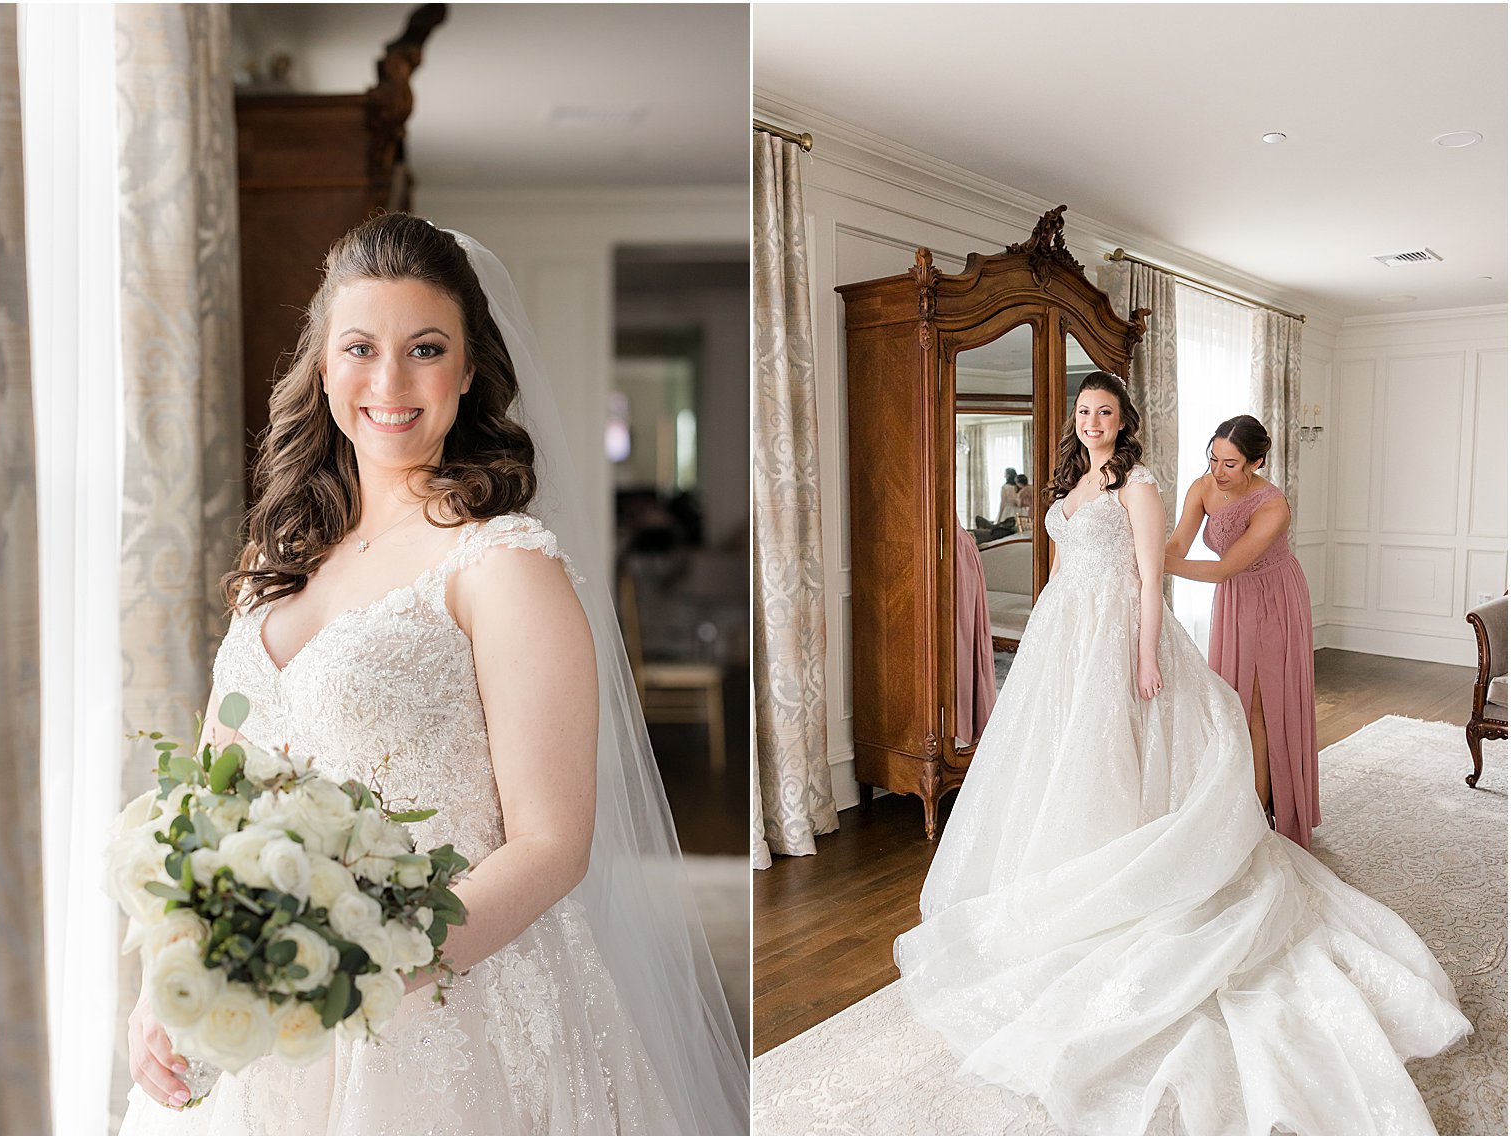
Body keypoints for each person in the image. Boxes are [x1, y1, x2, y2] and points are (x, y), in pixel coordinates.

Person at [120, 214, 748, 1135]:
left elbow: (551, 842)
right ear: (324, 366)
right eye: (361, 348)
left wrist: (361, 966)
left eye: (425, 349)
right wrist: (164, 978)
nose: (389, 382)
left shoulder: (503, 565)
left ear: (467, 371)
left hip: (448, 1012)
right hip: (260, 1008)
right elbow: (208, 796)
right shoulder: (278, 553)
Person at [894, 372, 1469, 1136]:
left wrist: (1143, 655)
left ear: (1125, 418)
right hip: (1065, 632)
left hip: (1116, 632)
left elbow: (1147, 574)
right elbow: (1064, 565)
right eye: (1084, 411)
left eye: (1105, 410)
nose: (1093, 420)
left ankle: (1132, 861)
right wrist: (1042, 627)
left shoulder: (1139, 482)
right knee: (1050, 756)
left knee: (1122, 750)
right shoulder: (1071, 477)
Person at [1164, 414, 1320, 847]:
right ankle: (1237, 806)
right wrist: (1149, 550)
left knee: (1259, 709)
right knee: (1229, 702)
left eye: (1230, 464)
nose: (1217, 471)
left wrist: (1149, 562)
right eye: (1213, 458)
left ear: (1257, 463)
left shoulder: (1273, 506)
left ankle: (1258, 821)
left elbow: (1225, 568)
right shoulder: (1203, 487)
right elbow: (1178, 545)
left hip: (1274, 599)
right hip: (1234, 600)